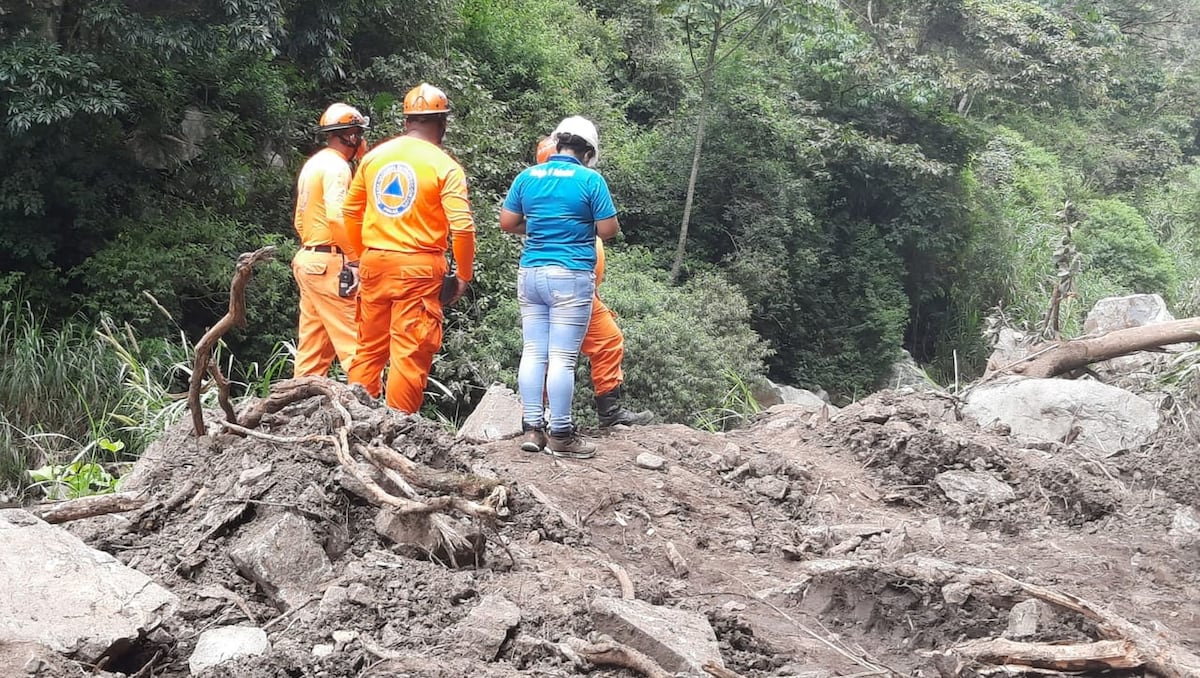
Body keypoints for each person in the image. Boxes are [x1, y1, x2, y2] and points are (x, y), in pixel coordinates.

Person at [338, 83, 476, 413]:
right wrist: (463, 275)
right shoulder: (445, 167)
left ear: (406, 121)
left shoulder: (373, 158)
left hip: (374, 262)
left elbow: (349, 212)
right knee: (408, 353)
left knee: (368, 349)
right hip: (418, 268)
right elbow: (463, 227)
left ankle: (357, 422)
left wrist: (358, 257)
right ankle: (397, 429)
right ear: (442, 123)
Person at [500, 116, 618, 459]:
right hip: (570, 276)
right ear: (588, 151)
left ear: (558, 142)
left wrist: (541, 227)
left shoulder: (528, 176)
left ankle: (533, 429)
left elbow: (507, 223)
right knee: (562, 358)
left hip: (531, 274)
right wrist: (576, 226)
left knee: (533, 351)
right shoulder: (590, 180)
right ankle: (562, 435)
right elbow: (608, 230)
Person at [534, 137, 653, 429]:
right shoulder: (545, 194)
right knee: (551, 353)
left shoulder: (567, 190)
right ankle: (545, 417)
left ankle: (609, 412)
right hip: (563, 285)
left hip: (584, 290)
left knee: (608, 340)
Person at [290, 103, 369, 378]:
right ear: (351, 135)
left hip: (309, 260)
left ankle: (296, 407)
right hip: (331, 265)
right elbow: (337, 216)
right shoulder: (337, 167)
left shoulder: (314, 164)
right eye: (359, 133)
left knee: (313, 348)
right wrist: (355, 260)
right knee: (357, 345)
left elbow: (300, 219)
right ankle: (369, 409)